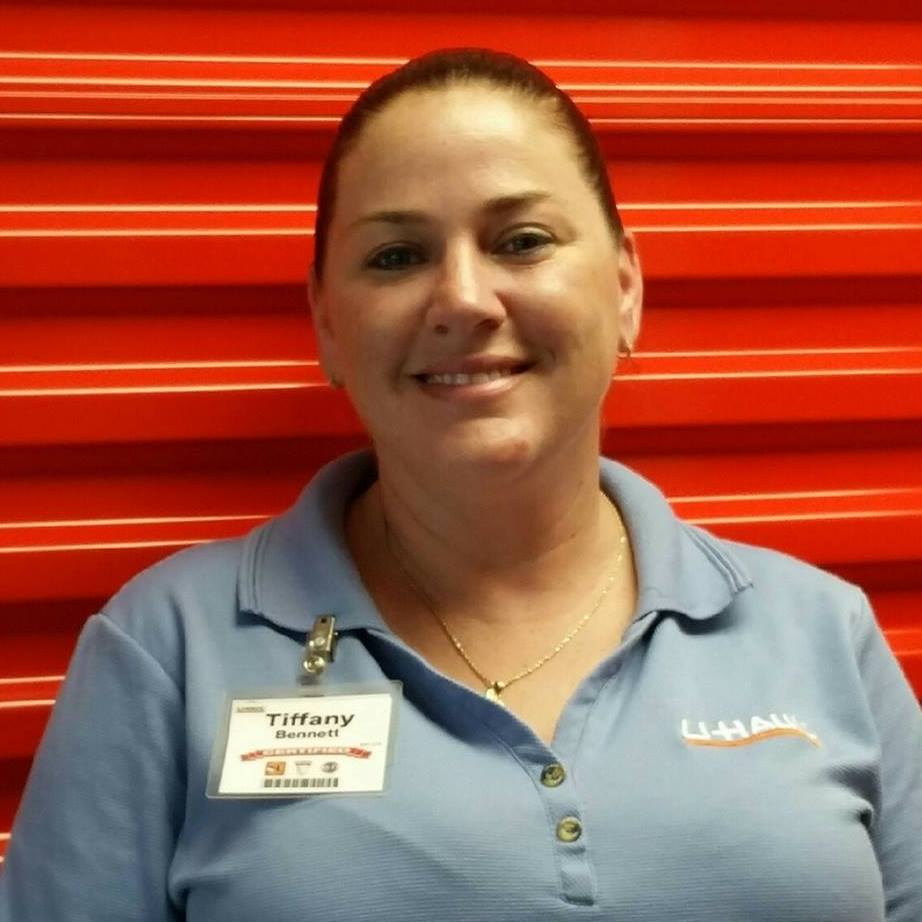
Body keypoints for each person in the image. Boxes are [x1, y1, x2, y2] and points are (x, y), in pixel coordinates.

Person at [1, 47, 920, 922]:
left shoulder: (820, 635)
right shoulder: (169, 650)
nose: (464, 299)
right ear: (327, 323)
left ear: (625, 288)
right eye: (397, 257)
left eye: (522, 240)